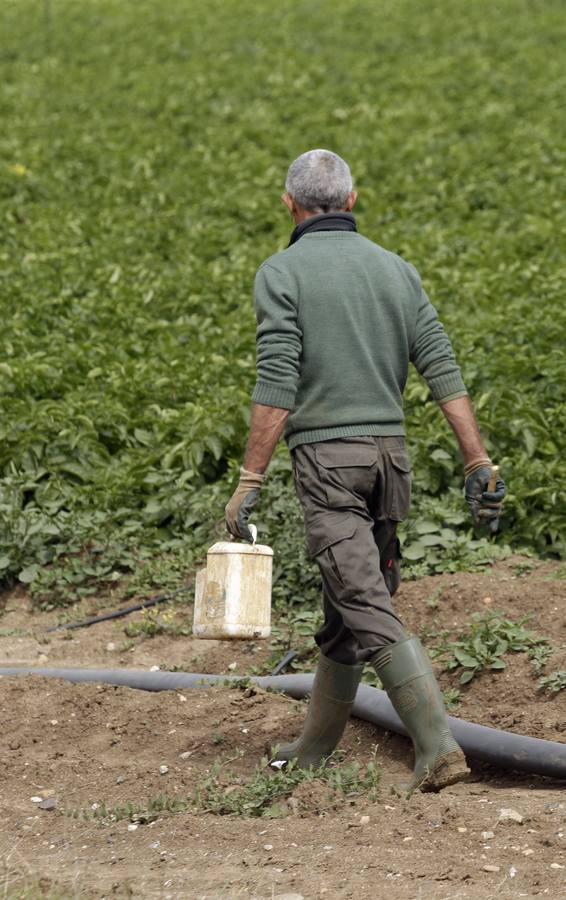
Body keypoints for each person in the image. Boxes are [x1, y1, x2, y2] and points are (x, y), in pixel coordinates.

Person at [225, 149, 506, 795]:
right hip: (390, 461)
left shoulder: (281, 272)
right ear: (351, 200)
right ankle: (316, 746)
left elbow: (277, 382)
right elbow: (441, 366)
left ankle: (437, 746)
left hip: (328, 462)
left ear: (289, 205)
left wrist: (249, 479)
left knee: (362, 600)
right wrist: (476, 458)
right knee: (341, 609)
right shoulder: (396, 270)